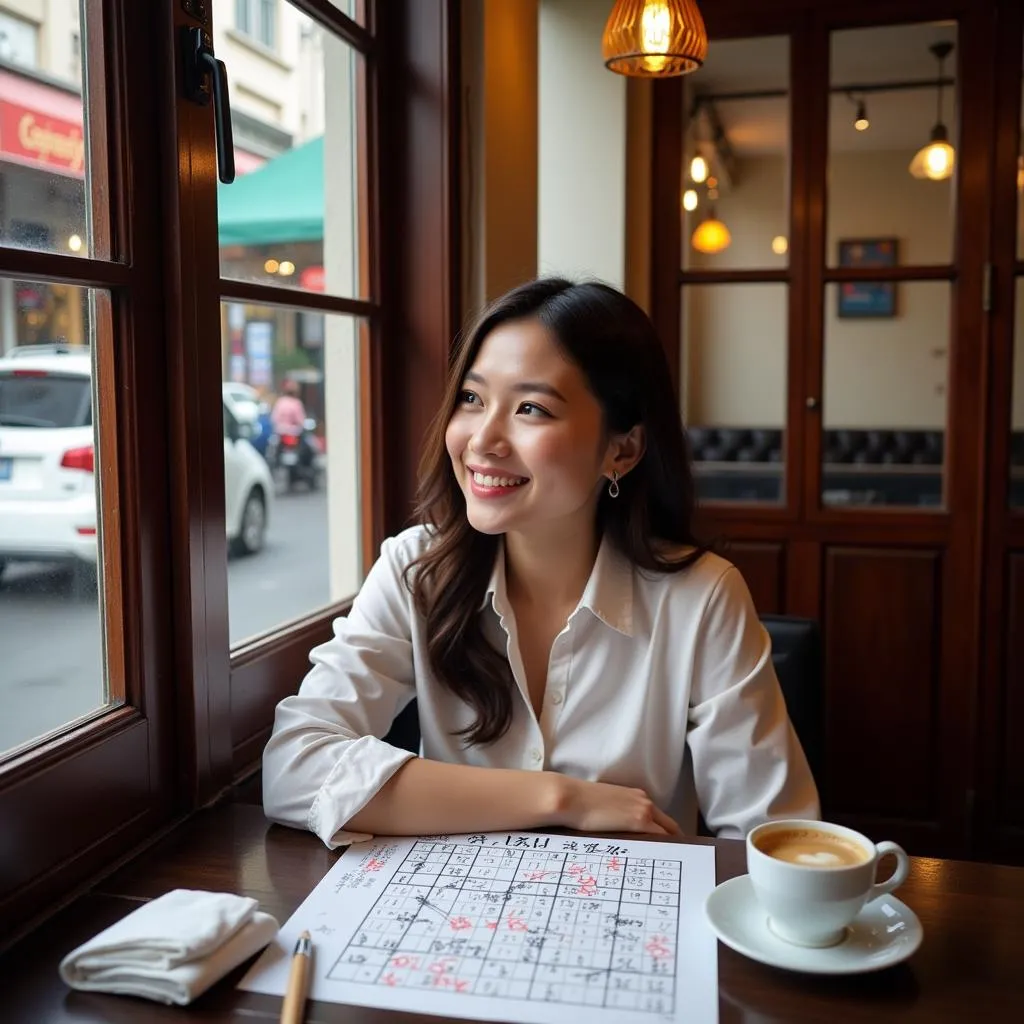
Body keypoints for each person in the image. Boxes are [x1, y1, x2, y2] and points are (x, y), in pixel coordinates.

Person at [263, 278, 819, 848]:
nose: (483, 440)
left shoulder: (701, 596)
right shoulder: (416, 570)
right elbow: (295, 768)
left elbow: (771, 836)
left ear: (620, 450)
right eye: (472, 399)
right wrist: (562, 799)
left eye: (531, 408)